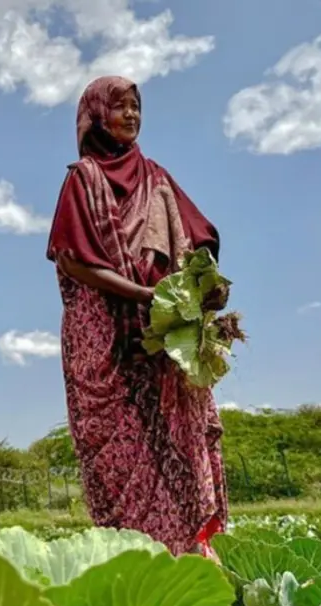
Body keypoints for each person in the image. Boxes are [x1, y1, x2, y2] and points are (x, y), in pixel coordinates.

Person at [46, 76, 228, 557]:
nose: (130, 115)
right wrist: (143, 293)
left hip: (160, 340)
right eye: (120, 107)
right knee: (118, 458)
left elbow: (200, 238)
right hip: (104, 340)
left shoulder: (157, 178)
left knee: (176, 445)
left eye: (136, 107)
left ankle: (187, 561)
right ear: (97, 115)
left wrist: (202, 290)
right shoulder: (82, 179)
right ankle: (135, 562)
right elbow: (73, 259)